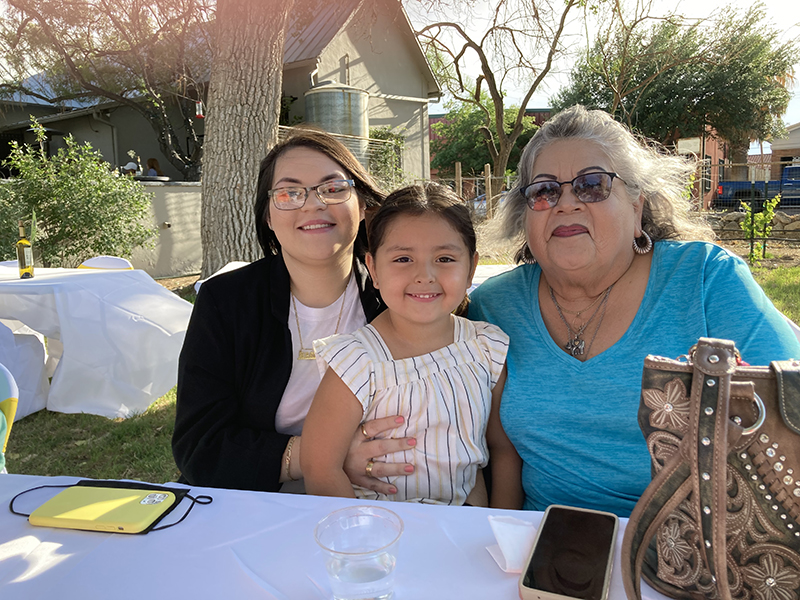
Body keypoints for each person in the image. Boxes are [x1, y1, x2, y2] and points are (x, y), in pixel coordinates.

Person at [468, 105, 800, 517]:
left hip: (694, 555)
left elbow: (790, 415)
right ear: (526, 216)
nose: (566, 202)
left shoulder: (706, 281)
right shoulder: (494, 307)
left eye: (592, 185)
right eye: (544, 190)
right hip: (538, 547)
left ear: (637, 206)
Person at [173, 128, 417, 493]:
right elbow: (201, 447)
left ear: (364, 204)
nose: (312, 204)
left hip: (381, 488)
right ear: (269, 216)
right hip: (256, 496)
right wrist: (320, 456)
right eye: (289, 193)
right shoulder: (226, 302)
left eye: (333, 189)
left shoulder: (400, 295)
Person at [302, 183, 520, 508]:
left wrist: (500, 528)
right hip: (381, 536)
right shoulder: (357, 362)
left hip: (466, 533)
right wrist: (362, 542)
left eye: (445, 258)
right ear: (373, 269)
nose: (425, 275)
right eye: (403, 258)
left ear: (471, 267)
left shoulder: (486, 348)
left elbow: (503, 451)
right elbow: (320, 467)